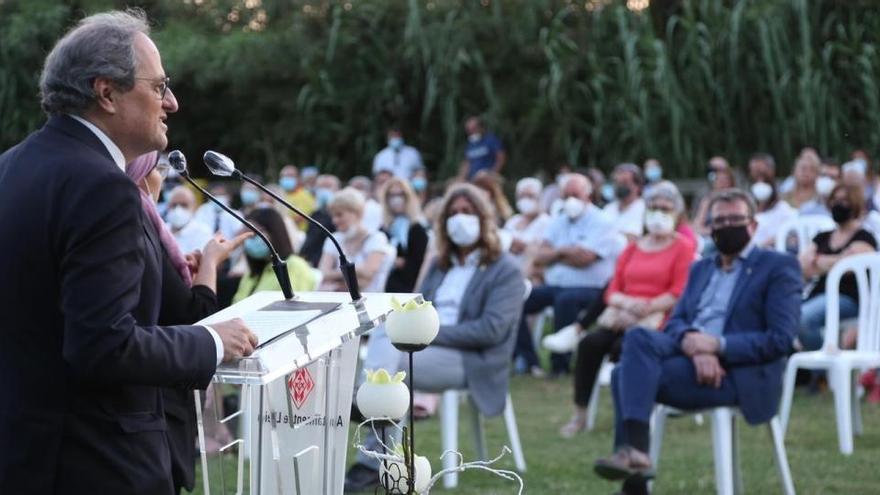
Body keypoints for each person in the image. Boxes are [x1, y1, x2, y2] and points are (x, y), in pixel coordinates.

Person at [0, 11, 257, 494]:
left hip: (23, 453)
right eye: (159, 87)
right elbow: (104, 345)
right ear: (107, 92)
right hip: (97, 463)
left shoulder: (11, 167)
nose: (172, 103)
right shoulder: (103, 187)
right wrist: (215, 342)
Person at [592, 189, 801, 495]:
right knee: (637, 337)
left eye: (735, 219)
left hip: (739, 373)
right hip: (689, 356)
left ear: (753, 226)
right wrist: (694, 343)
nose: (726, 226)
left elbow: (781, 339)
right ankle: (636, 455)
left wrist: (716, 346)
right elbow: (677, 321)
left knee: (623, 374)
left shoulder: (778, 266)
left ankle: (633, 478)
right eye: (719, 221)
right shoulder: (701, 267)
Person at [344, 183, 525, 491]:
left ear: (484, 218)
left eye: (467, 212)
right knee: (390, 342)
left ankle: (373, 441)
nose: (459, 219)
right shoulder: (440, 266)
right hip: (425, 350)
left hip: (473, 359)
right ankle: (385, 452)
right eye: (453, 213)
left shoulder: (505, 269)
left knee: (391, 349)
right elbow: (417, 306)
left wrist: (429, 333)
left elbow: (491, 330)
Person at [126, 151, 250, 494]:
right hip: (154, 400)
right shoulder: (135, 222)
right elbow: (194, 317)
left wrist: (187, 271)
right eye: (156, 169)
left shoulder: (150, 225)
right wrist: (210, 262)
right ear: (138, 173)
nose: (162, 178)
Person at [555, 182, 695, 438]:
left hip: (658, 319)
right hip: (622, 315)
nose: (658, 213)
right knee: (590, 344)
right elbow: (612, 289)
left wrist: (643, 309)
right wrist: (627, 306)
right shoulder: (632, 248)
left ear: (677, 213)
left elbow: (678, 292)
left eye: (665, 208)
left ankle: (632, 418)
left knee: (628, 347)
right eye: (653, 207)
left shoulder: (683, 248)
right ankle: (580, 415)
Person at [521, 173, 626, 376]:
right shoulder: (558, 221)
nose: (571, 200)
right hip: (556, 285)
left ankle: (560, 364)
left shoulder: (603, 221)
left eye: (575, 194)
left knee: (565, 300)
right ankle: (528, 360)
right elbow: (539, 256)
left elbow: (586, 258)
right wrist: (565, 251)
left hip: (592, 289)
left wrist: (555, 253)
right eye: (566, 195)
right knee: (518, 299)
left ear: (588, 195)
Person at [797, 184, 877, 351]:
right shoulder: (822, 237)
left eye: (844, 201)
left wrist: (818, 260)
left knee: (801, 319)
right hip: (817, 295)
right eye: (835, 200)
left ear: (855, 204)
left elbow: (848, 268)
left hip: (848, 299)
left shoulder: (864, 237)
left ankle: (825, 369)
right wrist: (838, 259)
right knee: (783, 316)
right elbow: (803, 266)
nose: (838, 204)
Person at [232, 208, 318, 303]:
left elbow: (292, 308)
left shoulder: (294, 265)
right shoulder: (253, 271)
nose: (249, 239)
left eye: (255, 234)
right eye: (246, 234)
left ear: (274, 232)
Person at [318, 188, 393, 293]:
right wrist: (356, 272)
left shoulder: (376, 238)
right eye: (333, 216)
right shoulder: (334, 239)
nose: (334, 221)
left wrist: (335, 277)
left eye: (339, 215)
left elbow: (368, 274)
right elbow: (323, 274)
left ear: (357, 213)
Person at [379, 177, 429, 293]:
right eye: (391, 195)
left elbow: (418, 264)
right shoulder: (383, 229)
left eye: (401, 194)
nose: (396, 199)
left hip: (407, 289)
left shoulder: (417, 229)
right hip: (383, 288)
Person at [504, 177, 552, 275]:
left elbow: (545, 252)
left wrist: (522, 246)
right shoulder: (512, 221)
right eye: (522, 196)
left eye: (530, 196)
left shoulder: (547, 222)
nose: (526, 200)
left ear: (539, 198)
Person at [299, 173, 339, 267]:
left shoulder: (340, 214)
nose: (324, 190)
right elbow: (310, 239)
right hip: (312, 262)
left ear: (337, 189)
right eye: (321, 187)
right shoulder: (315, 214)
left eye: (328, 186)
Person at [692, 157, 736, 238]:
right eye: (719, 180)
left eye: (725, 180)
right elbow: (696, 226)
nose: (722, 184)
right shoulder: (706, 197)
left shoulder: (738, 199)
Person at [751, 172, 797, 248]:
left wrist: (774, 240)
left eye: (764, 182)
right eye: (758, 183)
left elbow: (793, 228)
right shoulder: (749, 209)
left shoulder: (781, 207)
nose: (761, 187)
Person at [603, 163, 647, 241]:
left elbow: (632, 238)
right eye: (617, 182)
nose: (619, 186)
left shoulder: (644, 208)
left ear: (638, 186)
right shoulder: (609, 208)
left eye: (624, 182)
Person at [166, 185, 214, 253]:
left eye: (184, 205)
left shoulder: (203, 232)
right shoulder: (161, 230)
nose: (178, 209)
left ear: (194, 207)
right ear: (168, 206)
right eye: (174, 205)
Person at [459, 115, 506, 179]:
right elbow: (467, 162)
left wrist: (492, 173)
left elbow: (501, 159)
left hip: (488, 178)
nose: (471, 132)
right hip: (472, 178)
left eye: (473, 129)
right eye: (469, 130)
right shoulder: (470, 144)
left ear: (481, 128)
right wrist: (461, 177)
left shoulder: (492, 140)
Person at [784, 150, 827, 215]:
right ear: (793, 171)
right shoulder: (783, 198)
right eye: (803, 169)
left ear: (817, 175)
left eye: (812, 170)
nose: (807, 173)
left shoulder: (823, 200)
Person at [279, 164, 317, 229]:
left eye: (290, 176)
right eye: (284, 176)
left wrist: (280, 224)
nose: (287, 179)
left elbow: (301, 216)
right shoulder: (281, 195)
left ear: (298, 178)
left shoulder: (305, 195)